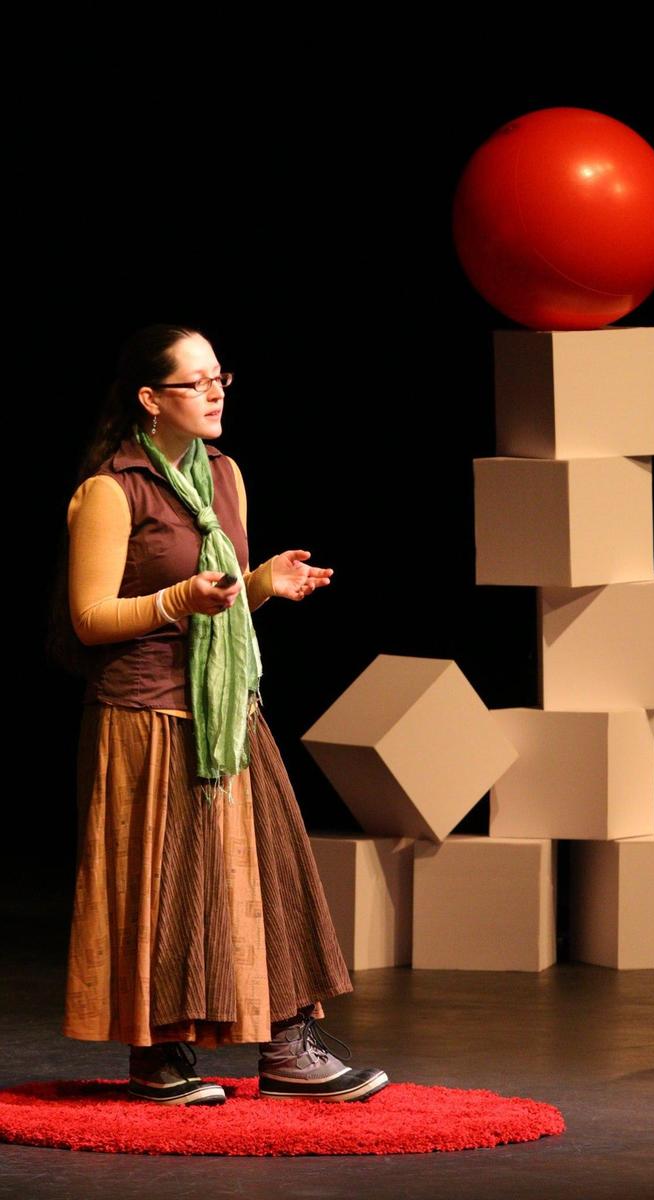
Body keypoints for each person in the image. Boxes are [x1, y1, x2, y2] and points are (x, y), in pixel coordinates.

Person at [62, 323, 388, 1105]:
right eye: (194, 382)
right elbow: (89, 617)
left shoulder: (224, 476)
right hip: (146, 715)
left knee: (268, 876)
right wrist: (180, 598)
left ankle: (286, 1049)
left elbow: (224, 595)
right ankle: (160, 1057)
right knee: (166, 887)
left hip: (228, 705)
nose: (213, 393)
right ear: (150, 399)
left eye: (220, 379)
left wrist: (265, 582)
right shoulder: (112, 491)